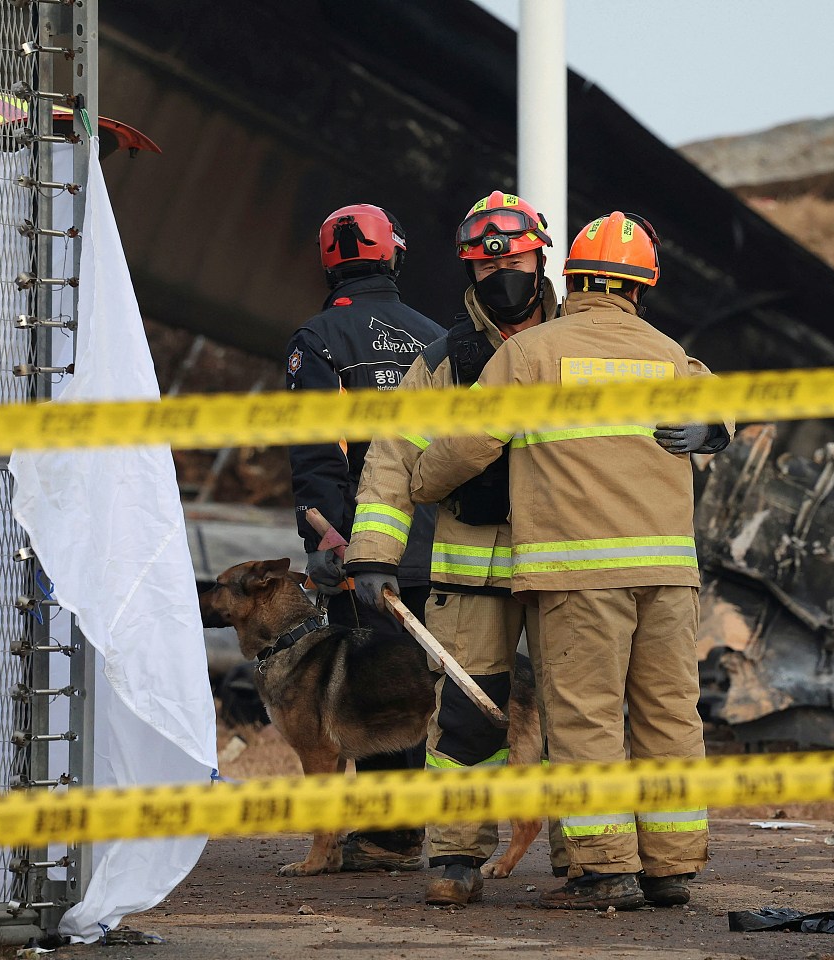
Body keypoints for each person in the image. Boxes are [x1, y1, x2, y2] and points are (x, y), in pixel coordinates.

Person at [409, 211, 732, 910]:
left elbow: (468, 445)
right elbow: (717, 407)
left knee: (586, 721)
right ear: (642, 288)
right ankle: (671, 867)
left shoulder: (532, 355)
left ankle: (607, 871)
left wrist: (421, 483)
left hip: (579, 574)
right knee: (670, 716)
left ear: (569, 276)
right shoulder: (669, 354)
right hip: (670, 576)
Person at [344, 191, 568, 906]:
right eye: (485, 267)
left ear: (542, 259)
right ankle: (456, 856)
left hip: (571, 563)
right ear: (470, 274)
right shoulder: (444, 362)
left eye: (517, 261)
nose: (503, 278)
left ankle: (590, 859)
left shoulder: (583, 348)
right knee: (465, 719)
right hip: (472, 566)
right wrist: (373, 553)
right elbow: (389, 460)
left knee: (577, 713)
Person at [284, 202, 444, 871]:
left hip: (358, 543)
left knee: (370, 685)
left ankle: (389, 836)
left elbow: (319, 452)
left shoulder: (318, 340)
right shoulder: (437, 338)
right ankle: (405, 832)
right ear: (394, 254)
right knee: (417, 683)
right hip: (436, 542)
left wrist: (325, 537)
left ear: (330, 259)